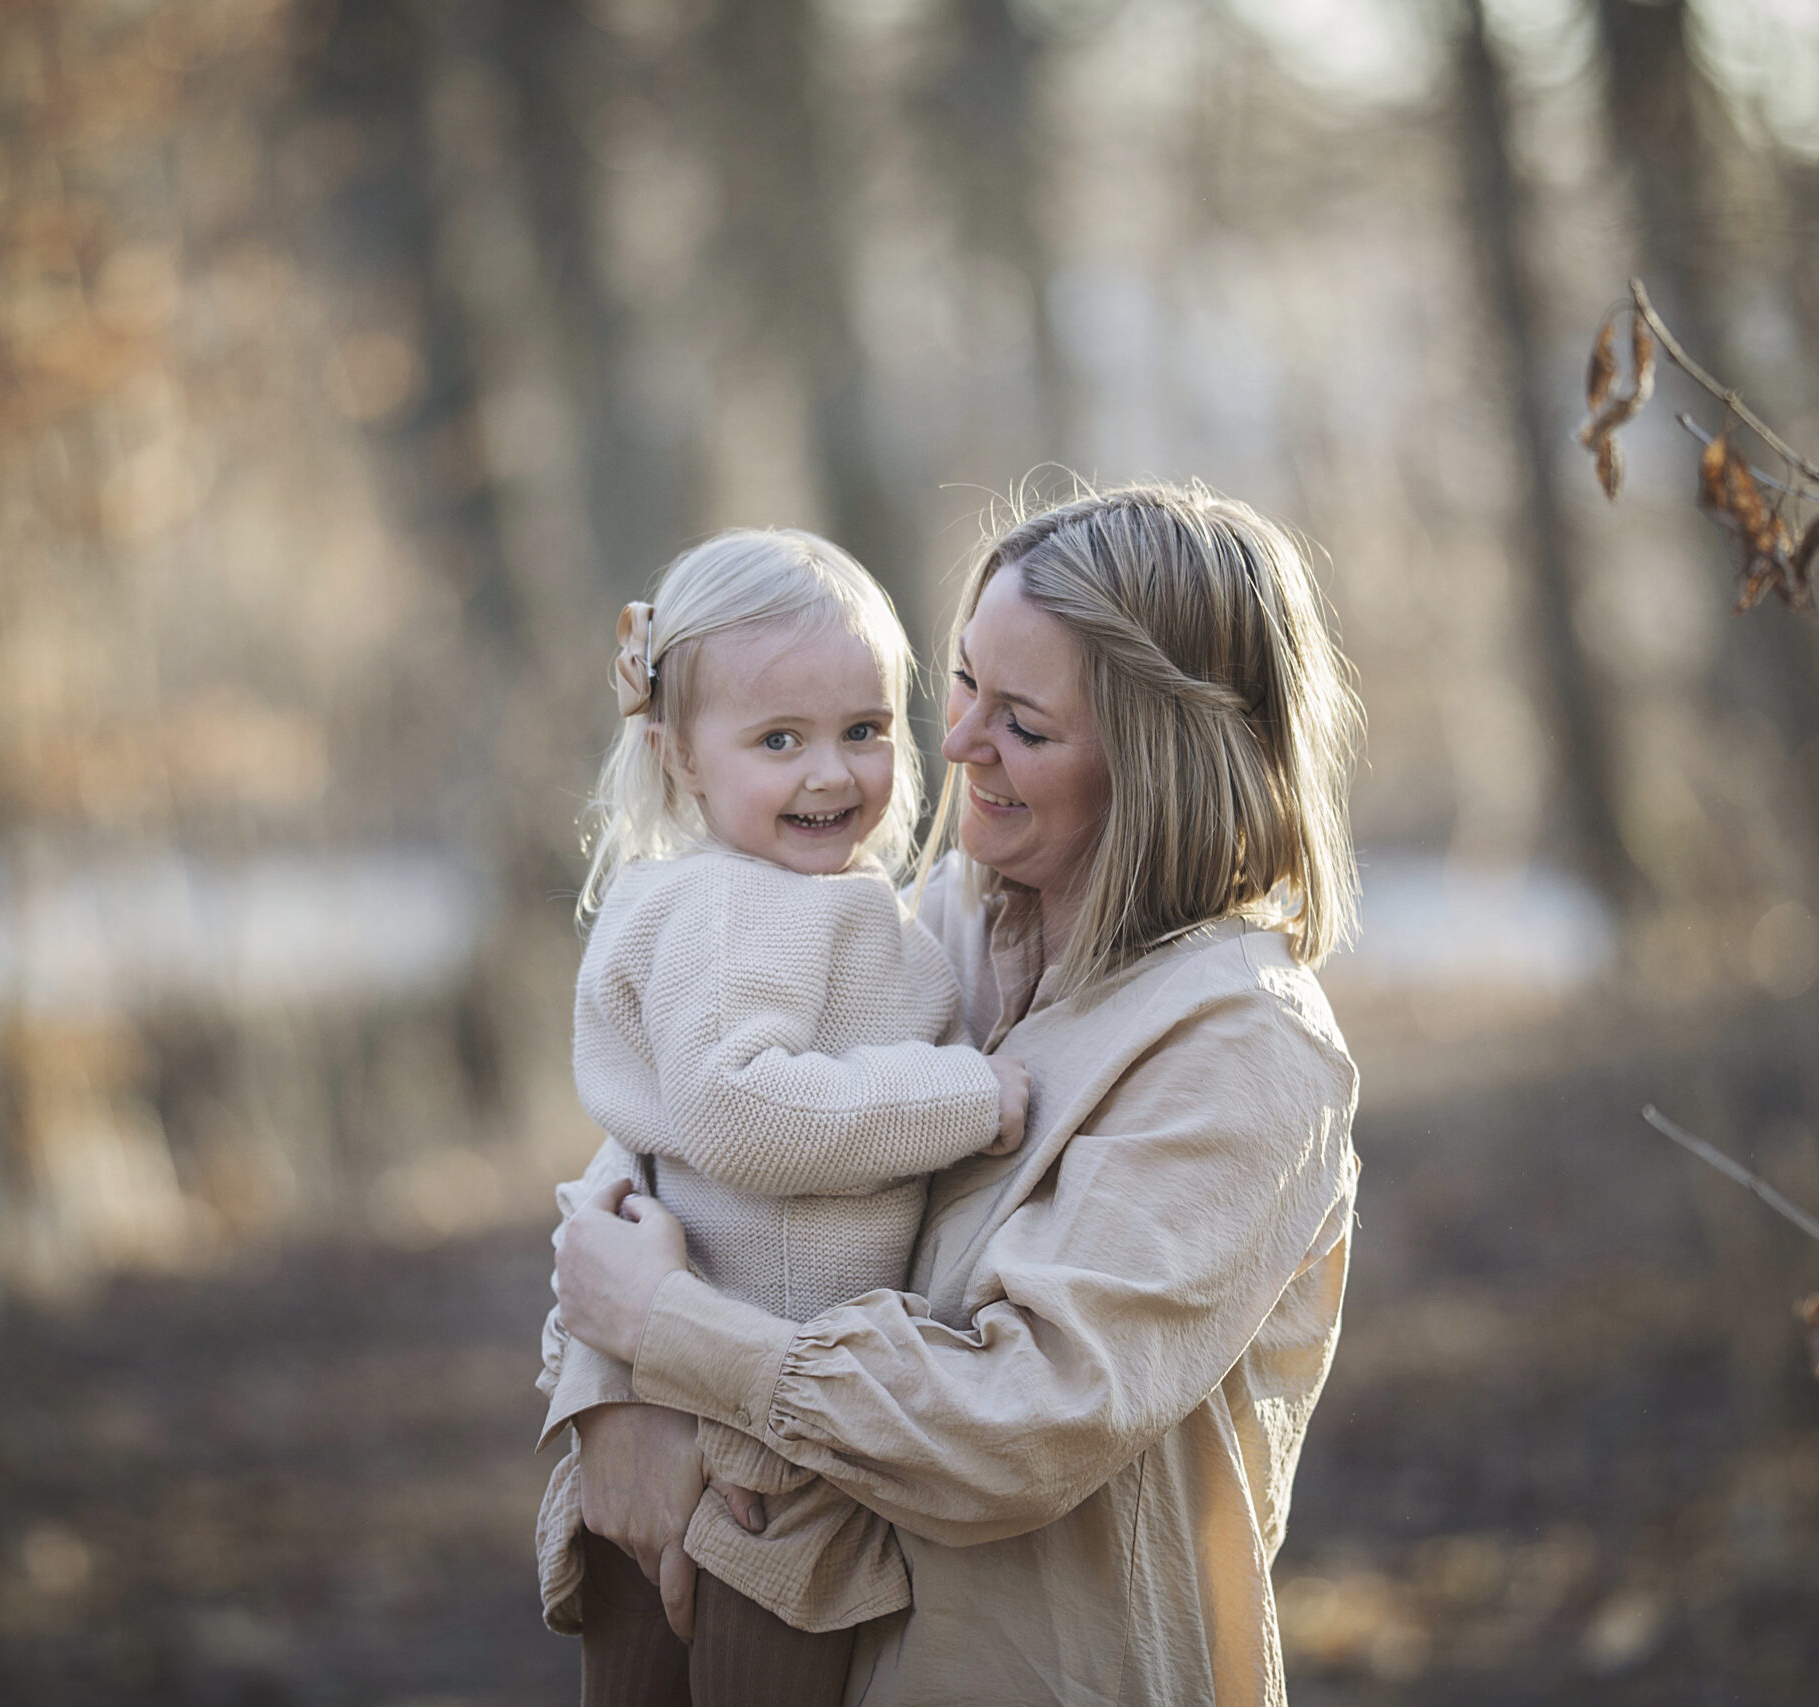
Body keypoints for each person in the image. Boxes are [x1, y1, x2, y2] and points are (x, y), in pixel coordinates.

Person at [548, 481, 1363, 1706]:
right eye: (965, 683)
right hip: (810, 1634)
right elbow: (681, 1142)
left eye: (1024, 723)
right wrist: (612, 1403)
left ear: (1157, 764)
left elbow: (1015, 1422)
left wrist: (674, 1340)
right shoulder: (948, 922)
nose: (958, 744)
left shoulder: (1243, 1051)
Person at [540, 527, 1033, 1707]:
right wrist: (967, 1098)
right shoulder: (739, 908)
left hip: (739, 1411)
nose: (830, 775)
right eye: (778, 741)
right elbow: (740, 1113)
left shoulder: (782, 897)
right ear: (677, 758)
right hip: (745, 1449)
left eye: (862, 730)